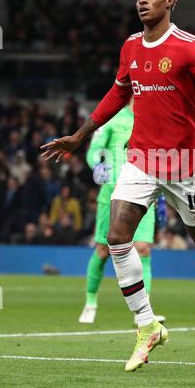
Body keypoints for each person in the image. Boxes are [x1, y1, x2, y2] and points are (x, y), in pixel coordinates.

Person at [41, 0, 195, 372]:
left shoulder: (190, 47)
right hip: (142, 158)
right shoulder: (131, 47)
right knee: (117, 237)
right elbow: (118, 93)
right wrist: (80, 136)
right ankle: (146, 324)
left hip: (186, 162)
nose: (142, 1)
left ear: (170, 1)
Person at [78, 97, 165, 325]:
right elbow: (95, 150)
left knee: (144, 249)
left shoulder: (155, 119)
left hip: (146, 191)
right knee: (103, 250)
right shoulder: (113, 117)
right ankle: (90, 302)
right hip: (113, 194)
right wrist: (104, 174)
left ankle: (144, 312)